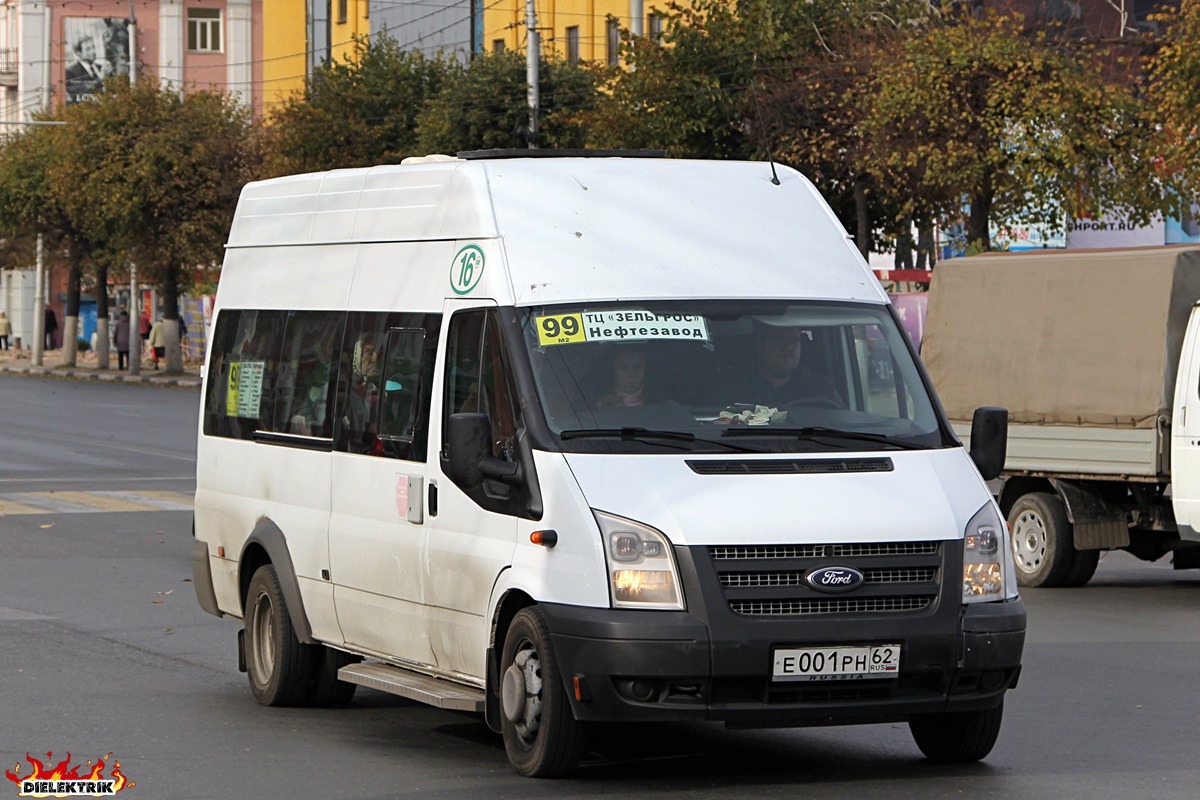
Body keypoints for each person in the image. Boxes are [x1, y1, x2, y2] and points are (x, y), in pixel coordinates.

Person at [742, 324, 843, 408]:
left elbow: (843, 426)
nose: (788, 348)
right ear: (759, 346)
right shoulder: (735, 386)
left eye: (794, 340)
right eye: (778, 340)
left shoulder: (822, 388)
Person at [64, 32, 110, 104]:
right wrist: (100, 79)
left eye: (93, 47)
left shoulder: (101, 68)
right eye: (88, 49)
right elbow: (78, 94)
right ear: (78, 53)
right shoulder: (70, 71)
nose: (93, 51)